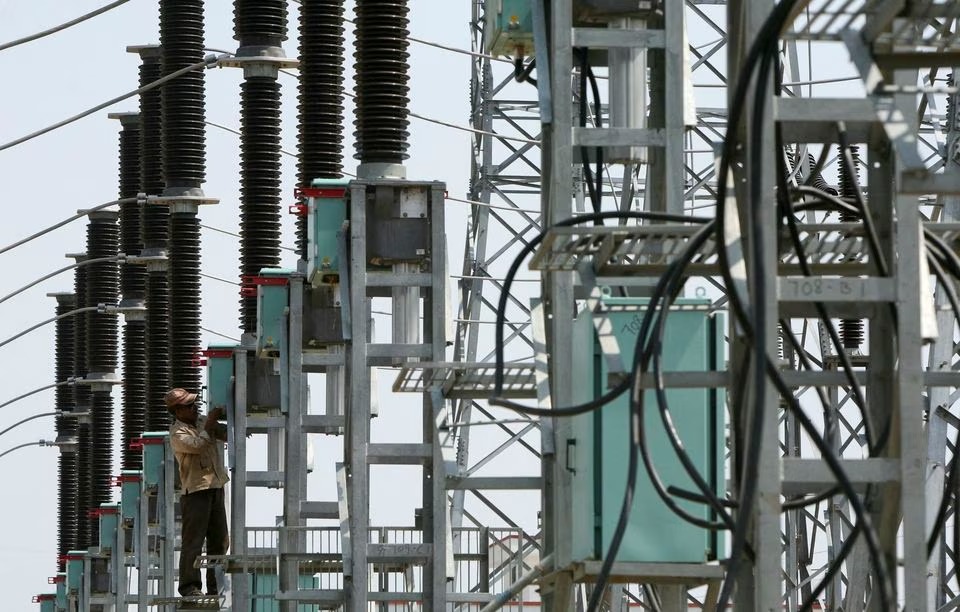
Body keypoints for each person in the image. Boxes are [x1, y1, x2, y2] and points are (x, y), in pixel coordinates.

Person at [166, 387, 229, 598]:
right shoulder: (177, 433)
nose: (194, 409)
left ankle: (215, 587)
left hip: (215, 485)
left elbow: (223, 434)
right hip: (196, 492)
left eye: (194, 404)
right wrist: (210, 423)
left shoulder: (202, 422)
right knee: (193, 541)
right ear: (178, 411)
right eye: (189, 406)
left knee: (219, 540)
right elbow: (198, 445)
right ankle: (189, 587)